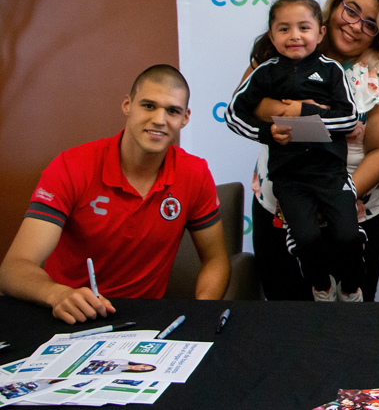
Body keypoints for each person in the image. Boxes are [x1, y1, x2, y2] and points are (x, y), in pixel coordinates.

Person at [0, 65, 230, 323]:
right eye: (148, 106)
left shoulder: (195, 172)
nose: (159, 120)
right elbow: (13, 268)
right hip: (67, 314)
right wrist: (57, 294)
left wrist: (203, 309)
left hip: (146, 320)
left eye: (172, 111)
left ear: (185, 118)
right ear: (127, 106)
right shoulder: (72, 166)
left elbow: (216, 259)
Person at [244, 0, 379, 301]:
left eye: (371, 24)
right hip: (281, 202)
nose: (355, 26)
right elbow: (252, 107)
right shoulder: (290, 41)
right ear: (335, 6)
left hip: (356, 206)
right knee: (284, 310)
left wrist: (334, 198)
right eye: (351, 11)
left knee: (348, 320)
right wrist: (309, 116)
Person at [226, 0, 363, 302]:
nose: (295, 36)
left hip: (331, 173)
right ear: (272, 36)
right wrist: (266, 133)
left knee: (347, 237)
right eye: (283, 29)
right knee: (305, 239)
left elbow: (349, 119)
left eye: (304, 27)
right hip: (288, 177)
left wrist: (308, 114)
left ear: (320, 32)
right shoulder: (264, 73)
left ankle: (352, 286)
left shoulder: (330, 71)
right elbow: (234, 114)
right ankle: (322, 286)